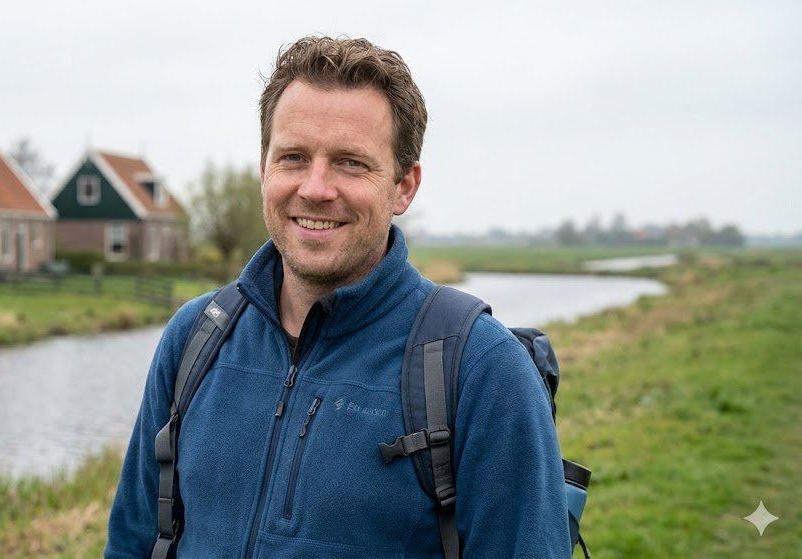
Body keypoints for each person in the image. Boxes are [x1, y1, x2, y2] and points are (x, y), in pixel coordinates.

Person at [105, 35, 571, 558]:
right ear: (264, 169)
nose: (315, 188)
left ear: (404, 186)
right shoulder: (195, 338)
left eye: (350, 162)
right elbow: (132, 543)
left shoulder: (481, 370)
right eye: (293, 157)